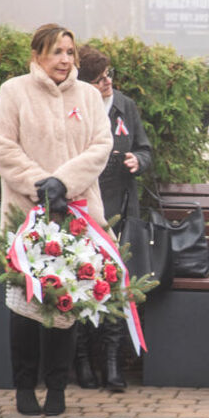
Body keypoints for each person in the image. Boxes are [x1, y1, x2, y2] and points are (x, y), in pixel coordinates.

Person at [0, 23, 112, 416]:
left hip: (76, 215)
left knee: (65, 304)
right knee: (23, 307)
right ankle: (25, 387)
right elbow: (2, 146)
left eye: (70, 52)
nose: (64, 60)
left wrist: (65, 182)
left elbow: (101, 146)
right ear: (37, 55)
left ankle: (57, 388)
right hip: (27, 214)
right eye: (57, 52)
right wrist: (40, 184)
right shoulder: (14, 91)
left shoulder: (89, 96)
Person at [75, 45, 153, 393]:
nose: (107, 82)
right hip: (85, 210)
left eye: (109, 75)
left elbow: (146, 148)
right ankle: (81, 359)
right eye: (99, 79)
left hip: (121, 207)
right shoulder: (75, 108)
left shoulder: (125, 106)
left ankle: (111, 362)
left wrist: (138, 159)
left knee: (116, 285)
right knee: (81, 283)